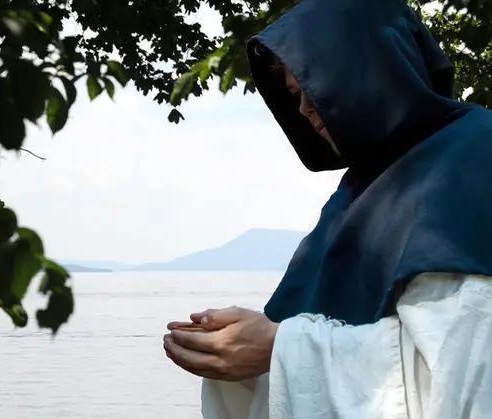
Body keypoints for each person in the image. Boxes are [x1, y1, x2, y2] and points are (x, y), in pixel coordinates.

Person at [163, 0, 492, 417]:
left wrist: (278, 349)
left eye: (312, 87)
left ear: (370, 68)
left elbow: (466, 370)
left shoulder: (474, 156)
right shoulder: (359, 192)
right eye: (295, 95)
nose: (302, 109)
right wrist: (239, 355)